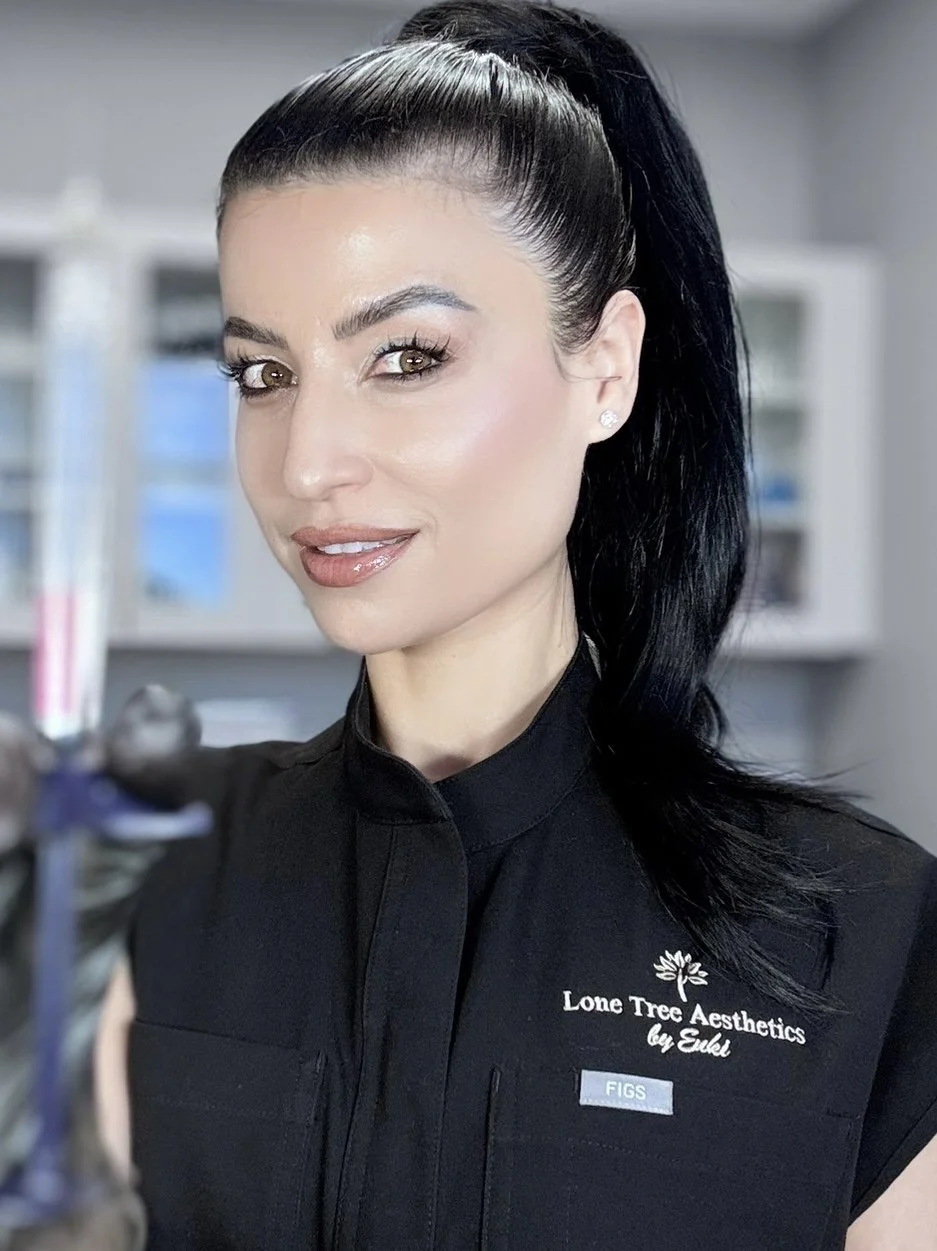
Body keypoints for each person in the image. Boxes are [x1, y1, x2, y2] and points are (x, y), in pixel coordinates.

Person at [90, 1, 937, 1248]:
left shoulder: (857, 934)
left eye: (407, 356)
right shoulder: (135, 866)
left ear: (604, 368)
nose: (307, 460)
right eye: (260, 375)